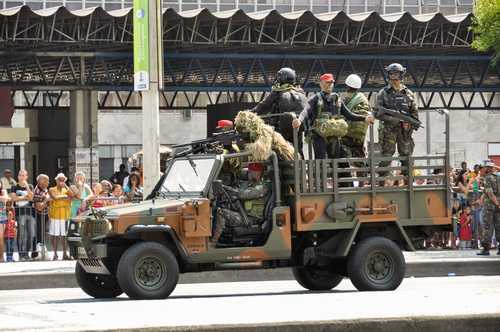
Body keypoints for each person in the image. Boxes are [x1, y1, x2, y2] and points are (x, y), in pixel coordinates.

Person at [292, 73, 374, 159]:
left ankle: (334, 172)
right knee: (321, 160)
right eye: (327, 82)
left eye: (331, 83)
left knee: (335, 160)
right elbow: (306, 110)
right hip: (319, 136)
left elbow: (349, 115)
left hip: (334, 136)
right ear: (321, 84)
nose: (329, 85)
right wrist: (299, 120)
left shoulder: (337, 99)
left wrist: (365, 118)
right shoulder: (315, 99)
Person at [374, 63, 419, 184]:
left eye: (396, 74)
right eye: (391, 74)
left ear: (401, 75)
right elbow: (377, 113)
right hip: (388, 130)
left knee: (406, 155)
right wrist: (394, 119)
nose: (394, 77)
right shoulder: (383, 93)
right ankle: (381, 183)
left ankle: (409, 183)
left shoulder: (408, 93)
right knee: (387, 156)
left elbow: (414, 112)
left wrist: (409, 123)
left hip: (404, 131)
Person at [252, 67, 307, 157]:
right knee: (298, 151)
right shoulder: (301, 93)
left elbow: (263, 106)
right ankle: (302, 169)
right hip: (297, 129)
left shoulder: (277, 92)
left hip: (281, 129)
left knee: (278, 152)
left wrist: (249, 113)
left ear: (282, 78)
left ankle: (275, 169)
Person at [212, 162, 270, 243]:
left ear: (259, 173)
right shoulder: (245, 184)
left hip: (253, 219)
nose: (249, 174)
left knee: (221, 212)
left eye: (253, 172)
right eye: (249, 172)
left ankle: (213, 242)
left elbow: (243, 194)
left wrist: (225, 187)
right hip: (243, 214)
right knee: (219, 207)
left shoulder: (262, 187)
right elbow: (237, 191)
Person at [342, 74, 372, 186]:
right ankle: (361, 185)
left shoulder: (345, 99)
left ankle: (346, 185)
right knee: (360, 161)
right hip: (360, 136)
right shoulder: (364, 100)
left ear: (347, 85)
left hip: (346, 135)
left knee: (343, 160)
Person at [9, 169, 34, 261]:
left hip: (30, 214)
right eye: (20, 175)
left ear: (27, 177)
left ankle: (26, 253)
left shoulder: (30, 186)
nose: (22, 177)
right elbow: (13, 198)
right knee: (21, 235)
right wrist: (25, 197)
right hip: (20, 213)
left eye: (24, 175)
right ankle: (21, 254)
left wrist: (27, 187)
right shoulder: (14, 187)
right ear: (18, 176)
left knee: (31, 234)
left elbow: (32, 198)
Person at [477, 160, 500, 256]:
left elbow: (490, 193)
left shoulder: (487, 178)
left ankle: (486, 249)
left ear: (487, 168)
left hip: (490, 206)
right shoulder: (498, 178)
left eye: (483, 168)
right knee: (499, 227)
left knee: (487, 227)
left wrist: (497, 203)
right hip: (498, 206)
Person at [48, 173, 73, 260]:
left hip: (65, 215)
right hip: (55, 215)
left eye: (63, 180)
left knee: (64, 235)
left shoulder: (66, 189)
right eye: (60, 180)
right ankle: (54, 254)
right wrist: (65, 197)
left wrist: (66, 186)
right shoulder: (52, 189)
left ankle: (65, 254)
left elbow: (72, 196)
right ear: (56, 180)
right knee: (54, 235)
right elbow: (55, 198)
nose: (61, 182)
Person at [32, 174, 50, 260]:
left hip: (45, 215)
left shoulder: (44, 189)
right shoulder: (37, 191)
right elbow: (39, 207)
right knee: (39, 234)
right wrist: (47, 199)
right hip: (39, 215)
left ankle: (43, 254)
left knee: (42, 234)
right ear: (40, 182)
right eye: (46, 180)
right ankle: (37, 254)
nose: (48, 182)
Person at [0, 182, 10, 262]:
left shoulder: (3, 191)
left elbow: (6, 199)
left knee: (1, 238)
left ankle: (1, 257)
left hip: (1, 218)